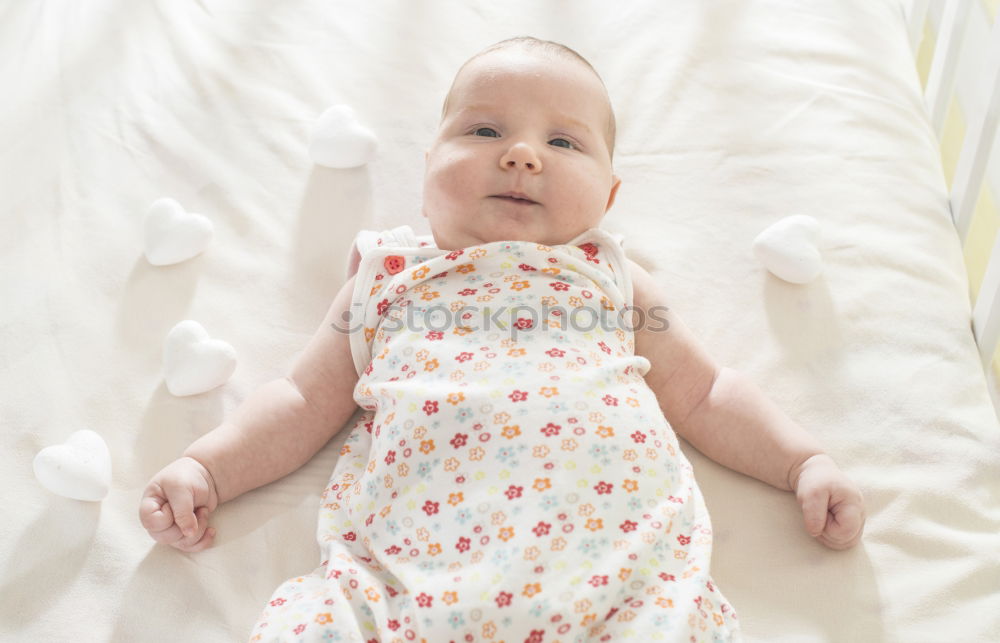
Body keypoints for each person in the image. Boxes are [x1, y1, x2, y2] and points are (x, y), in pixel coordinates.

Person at [139, 36, 865, 641]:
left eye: (563, 141)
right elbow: (299, 399)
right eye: (484, 131)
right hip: (408, 582)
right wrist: (209, 469)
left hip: (617, 579)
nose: (522, 155)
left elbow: (707, 393)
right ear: (428, 168)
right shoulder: (389, 276)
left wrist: (802, 460)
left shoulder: (611, 278)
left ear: (610, 196)